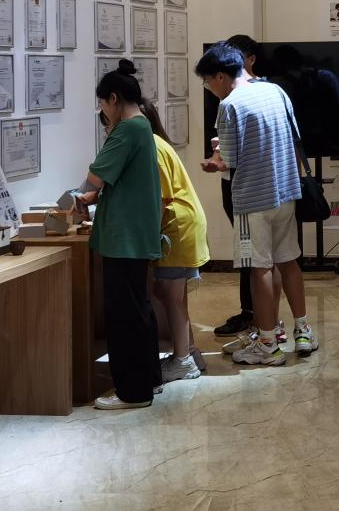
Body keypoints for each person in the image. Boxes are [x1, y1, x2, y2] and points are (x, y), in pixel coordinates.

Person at [197, 42, 318, 365]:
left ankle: (267, 344)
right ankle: (302, 331)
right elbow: (293, 138)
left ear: (220, 76)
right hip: (286, 191)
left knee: (259, 269)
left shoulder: (229, 105)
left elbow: (230, 161)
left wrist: (214, 161)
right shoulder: (275, 90)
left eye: (207, 82)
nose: (209, 89)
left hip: (253, 199)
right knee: (288, 261)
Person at [74, 59, 163, 409]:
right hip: (137, 233)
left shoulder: (126, 130)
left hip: (124, 237)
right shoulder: (143, 126)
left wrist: (82, 197)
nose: (103, 112)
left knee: (124, 315)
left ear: (113, 98)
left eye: (102, 104)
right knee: (139, 309)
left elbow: (94, 178)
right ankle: (149, 379)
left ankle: (133, 392)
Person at [139, 100, 210, 383]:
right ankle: (188, 352)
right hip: (180, 225)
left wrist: (148, 238)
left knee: (171, 296)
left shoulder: (152, 148)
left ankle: (183, 361)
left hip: (177, 228)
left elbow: (160, 198)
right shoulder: (156, 143)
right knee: (168, 293)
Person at [208, 35, 261, 338]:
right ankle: (256, 314)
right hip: (234, 182)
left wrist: (219, 159)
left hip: (248, 184)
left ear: (250, 59)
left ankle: (256, 317)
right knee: (247, 250)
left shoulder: (250, 94)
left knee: (252, 251)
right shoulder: (229, 96)